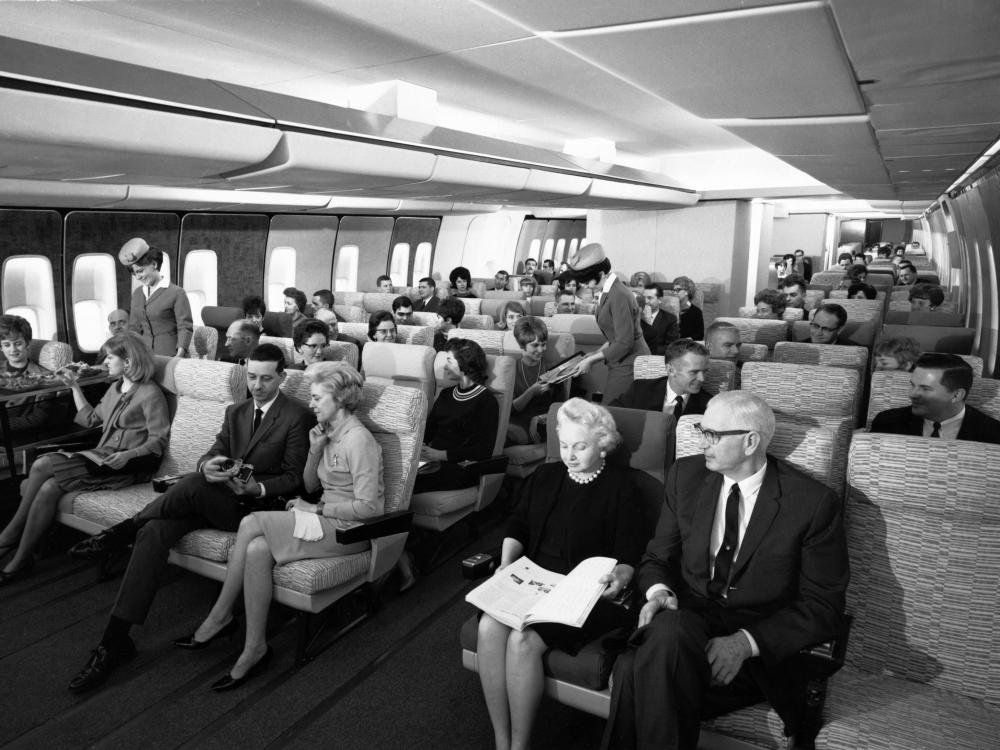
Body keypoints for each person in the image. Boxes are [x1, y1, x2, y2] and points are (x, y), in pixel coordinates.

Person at [601, 391, 849, 750]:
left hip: (757, 647)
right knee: (669, 630)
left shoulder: (811, 504)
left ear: (750, 441)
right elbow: (657, 557)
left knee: (631, 668)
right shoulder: (685, 477)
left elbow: (823, 606)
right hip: (685, 624)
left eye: (712, 435)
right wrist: (660, 592)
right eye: (702, 430)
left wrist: (745, 644)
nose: (702, 442)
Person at [66, 343, 312, 693]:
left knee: (193, 485)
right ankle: (114, 641)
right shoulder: (236, 411)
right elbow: (214, 452)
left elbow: (294, 477)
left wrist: (256, 488)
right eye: (252, 377)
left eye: (266, 379)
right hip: (217, 497)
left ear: (282, 377)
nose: (257, 386)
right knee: (155, 529)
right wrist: (207, 465)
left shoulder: (296, 415)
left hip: (255, 510)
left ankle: (120, 533)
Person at [180, 361, 384, 690]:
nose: (312, 404)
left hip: (350, 530)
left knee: (250, 522)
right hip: (325, 520)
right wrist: (315, 452)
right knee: (258, 549)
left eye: (317, 398)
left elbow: (369, 507)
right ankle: (255, 647)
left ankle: (220, 616)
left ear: (341, 399)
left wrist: (317, 508)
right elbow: (307, 485)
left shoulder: (358, 440)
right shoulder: (328, 433)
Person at [477, 399, 645, 750]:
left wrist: (623, 575)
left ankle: (519, 746)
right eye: (564, 445)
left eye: (580, 446)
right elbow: (518, 524)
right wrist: (507, 564)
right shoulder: (546, 475)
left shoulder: (622, 488)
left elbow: (631, 554)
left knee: (521, 641)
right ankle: (500, 739)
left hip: (586, 593)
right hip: (535, 579)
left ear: (603, 444)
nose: (569, 454)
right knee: (488, 626)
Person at [0, 333, 170, 585]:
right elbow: (91, 419)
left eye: (110, 357)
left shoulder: (150, 393)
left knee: (43, 463)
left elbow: (158, 440)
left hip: (126, 464)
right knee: (48, 488)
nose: (105, 362)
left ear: (127, 361)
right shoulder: (115, 388)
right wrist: (73, 386)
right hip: (102, 457)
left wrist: (128, 455)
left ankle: (9, 534)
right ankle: (23, 558)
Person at [413, 338, 498, 493]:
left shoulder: (486, 400)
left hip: (459, 466)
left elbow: (483, 450)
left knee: (408, 480)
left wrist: (440, 454)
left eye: (449, 361)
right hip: (432, 460)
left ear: (465, 364)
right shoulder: (446, 394)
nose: (445, 366)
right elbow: (428, 432)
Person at [569, 243, 650, 403]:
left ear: (601, 273)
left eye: (587, 281)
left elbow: (624, 342)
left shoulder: (618, 294)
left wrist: (592, 361)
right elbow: (615, 334)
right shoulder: (609, 291)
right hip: (621, 360)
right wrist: (596, 353)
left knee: (612, 411)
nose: (584, 285)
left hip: (631, 362)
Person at [870, 353, 1000, 443]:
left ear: (957, 395)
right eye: (913, 385)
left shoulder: (993, 435)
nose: (911, 394)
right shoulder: (886, 423)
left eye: (925, 389)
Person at [119, 238, 193, 357]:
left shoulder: (177, 293)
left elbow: (185, 327)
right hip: (145, 356)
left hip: (171, 355)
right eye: (134, 274)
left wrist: (179, 355)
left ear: (154, 264)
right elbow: (134, 328)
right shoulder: (138, 294)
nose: (138, 277)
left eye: (140, 271)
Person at [610, 339, 712, 417]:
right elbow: (610, 414)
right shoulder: (640, 389)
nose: (702, 378)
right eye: (694, 372)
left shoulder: (709, 405)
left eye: (705, 371)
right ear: (671, 370)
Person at [507, 317, 559, 445]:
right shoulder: (511, 368)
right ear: (521, 345)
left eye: (543, 344)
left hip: (541, 423)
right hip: (514, 420)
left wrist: (540, 418)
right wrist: (531, 392)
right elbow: (510, 410)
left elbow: (560, 407)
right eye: (535, 345)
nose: (541, 350)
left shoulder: (552, 370)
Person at [640, 284, 680, 355]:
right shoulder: (634, 317)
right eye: (643, 298)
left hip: (656, 358)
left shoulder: (670, 319)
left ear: (660, 300)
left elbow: (672, 347)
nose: (645, 301)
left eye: (650, 298)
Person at [673, 276, 704, 340]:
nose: (674, 293)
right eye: (674, 290)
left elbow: (700, 335)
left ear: (687, 291)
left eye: (678, 290)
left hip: (687, 346)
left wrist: (687, 340)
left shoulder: (696, 312)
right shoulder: (670, 309)